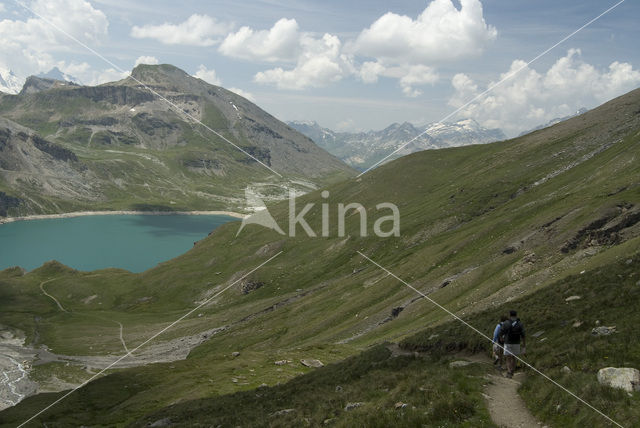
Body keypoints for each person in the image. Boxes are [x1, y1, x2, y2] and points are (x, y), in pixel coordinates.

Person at [501, 310, 526, 378]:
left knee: (508, 358)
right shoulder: (520, 323)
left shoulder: (506, 323)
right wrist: (524, 346)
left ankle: (509, 372)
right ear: (516, 315)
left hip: (507, 343)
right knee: (514, 357)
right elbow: (523, 335)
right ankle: (512, 371)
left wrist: (501, 338)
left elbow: (501, 331)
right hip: (516, 343)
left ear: (510, 315)